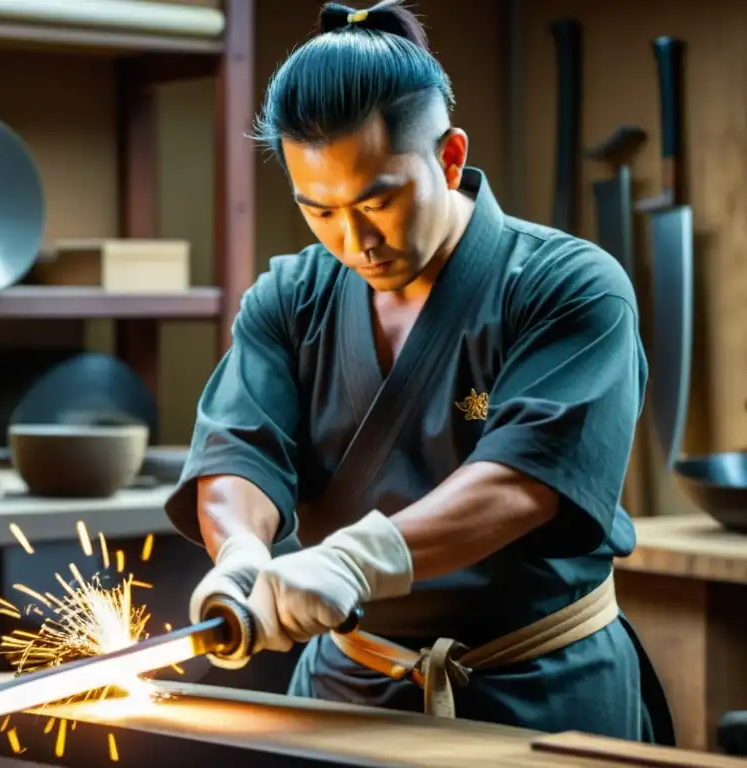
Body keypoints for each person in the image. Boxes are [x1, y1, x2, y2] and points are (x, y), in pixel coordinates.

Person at [164, 0, 673, 744]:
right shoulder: (288, 299)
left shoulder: (571, 288)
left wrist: (357, 559)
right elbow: (240, 449)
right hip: (346, 695)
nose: (355, 239)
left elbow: (522, 481)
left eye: (379, 201)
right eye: (321, 210)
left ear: (450, 157)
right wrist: (241, 553)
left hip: (538, 694)